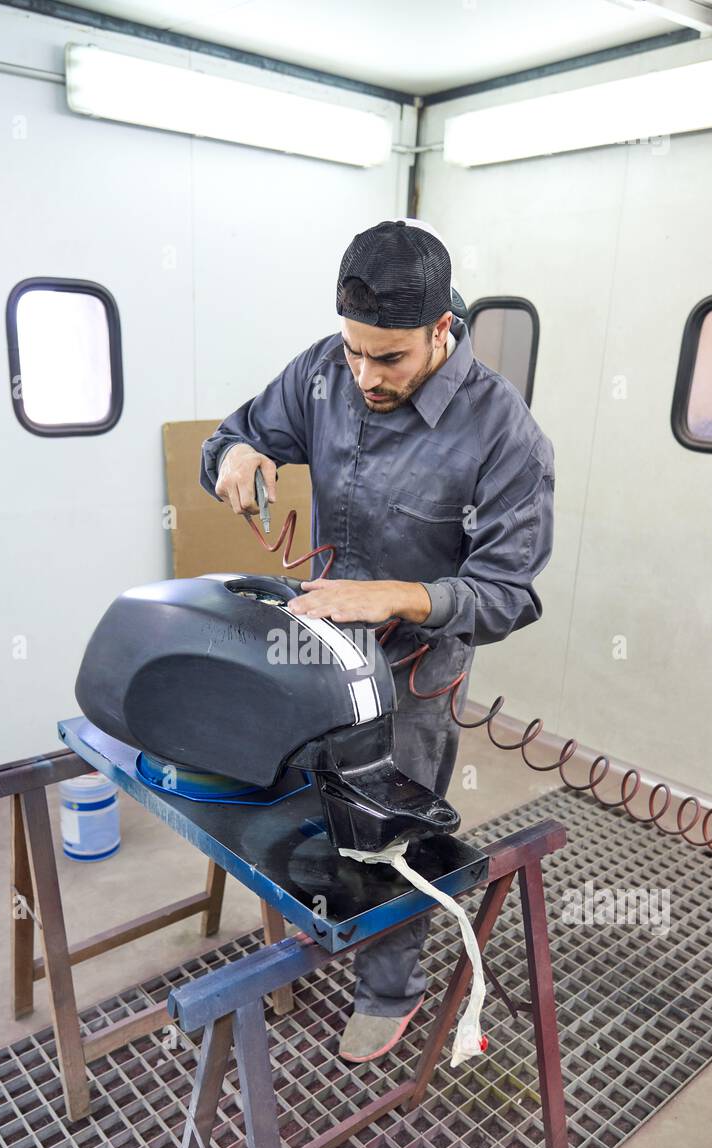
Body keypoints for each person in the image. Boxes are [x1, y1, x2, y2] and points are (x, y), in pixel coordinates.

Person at [199, 219, 554, 1062]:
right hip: (315, 654)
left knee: (390, 838)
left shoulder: (503, 432)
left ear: (442, 331)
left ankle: (390, 987)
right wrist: (238, 453)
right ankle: (310, 934)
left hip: (415, 677)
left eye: (387, 359)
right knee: (297, 800)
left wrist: (390, 596)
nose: (364, 376)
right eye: (354, 352)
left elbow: (510, 593)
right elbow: (235, 430)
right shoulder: (329, 369)